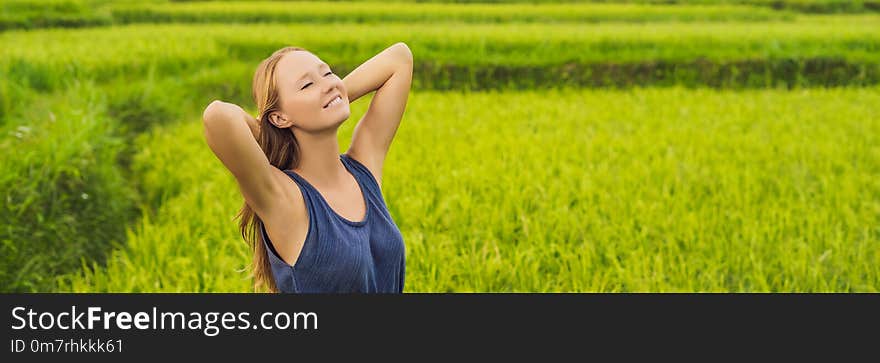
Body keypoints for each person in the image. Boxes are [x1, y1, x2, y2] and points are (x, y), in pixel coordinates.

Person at [202, 43, 413, 293]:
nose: (328, 83)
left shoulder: (363, 169)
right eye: (307, 85)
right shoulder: (286, 200)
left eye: (327, 73)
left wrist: (336, 95)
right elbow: (217, 116)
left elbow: (399, 58)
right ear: (279, 118)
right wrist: (271, 132)